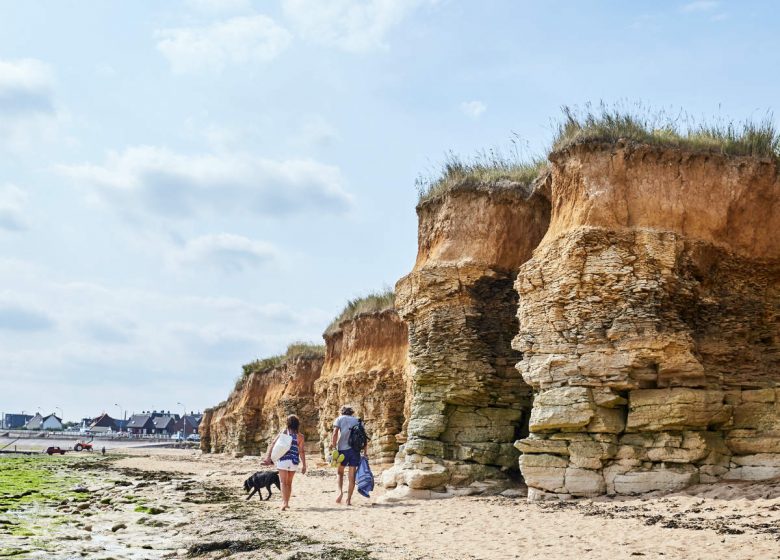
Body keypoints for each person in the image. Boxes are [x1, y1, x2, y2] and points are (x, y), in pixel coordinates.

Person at [264, 414, 307, 510]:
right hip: (293, 461)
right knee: (289, 483)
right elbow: (301, 451)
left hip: (283, 460)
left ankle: (284, 502)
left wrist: (268, 458)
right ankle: (287, 502)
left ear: (288, 423)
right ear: (297, 424)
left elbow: (273, 444)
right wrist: (304, 465)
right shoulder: (300, 436)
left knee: (283, 482)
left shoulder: (283, 432)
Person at [331, 405, 364, 506]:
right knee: (351, 476)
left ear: (342, 411)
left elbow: (335, 432)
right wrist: (365, 452)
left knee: (340, 473)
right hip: (355, 450)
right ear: (352, 412)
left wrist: (333, 444)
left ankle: (340, 492)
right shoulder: (358, 420)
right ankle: (348, 500)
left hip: (342, 450)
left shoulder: (339, 419)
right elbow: (364, 437)